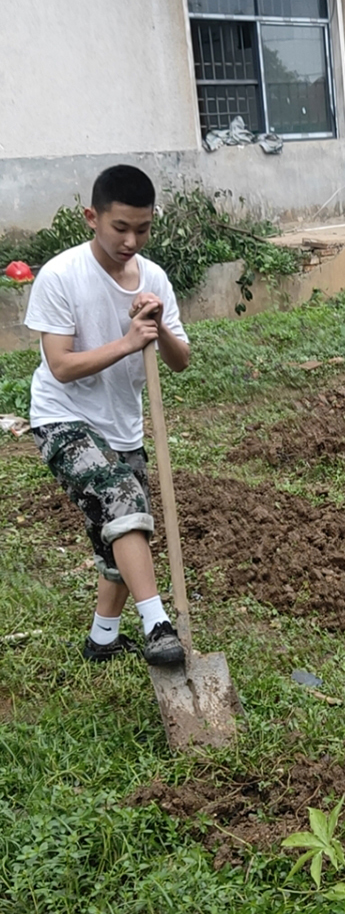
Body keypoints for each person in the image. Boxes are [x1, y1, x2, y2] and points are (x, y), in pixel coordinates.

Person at [24, 165, 190, 663]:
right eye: (121, 228)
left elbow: (180, 362)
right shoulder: (61, 274)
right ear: (91, 217)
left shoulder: (154, 277)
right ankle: (158, 625)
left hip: (121, 425)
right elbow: (61, 364)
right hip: (63, 417)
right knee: (122, 503)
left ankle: (101, 640)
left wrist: (157, 327)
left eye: (143, 228)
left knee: (118, 535)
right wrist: (125, 342)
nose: (132, 240)